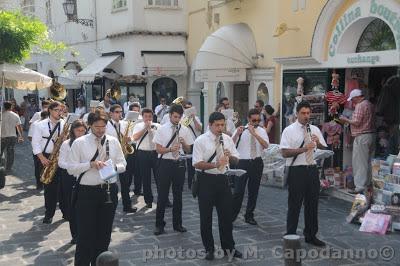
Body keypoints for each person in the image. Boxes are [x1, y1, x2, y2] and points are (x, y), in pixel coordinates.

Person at [68, 109, 126, 265]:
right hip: (87, 192)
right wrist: (90, 164)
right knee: (85, 235)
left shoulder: (113, 141)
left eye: (103, 127)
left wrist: (114, 167)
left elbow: (123, 163)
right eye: (97, 127)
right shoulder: (80, 143)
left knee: (104, 234)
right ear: (89, 126)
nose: (100, 130)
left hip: (109, 190)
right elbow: (70, 168)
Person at [192, 111, 242, 260]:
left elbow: (236, 160)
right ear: (210, 125)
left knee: (226, 217)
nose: (220, 128)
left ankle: (229, 247)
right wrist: (215, 163)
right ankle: (209, 248)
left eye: (222, 125)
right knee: (206, 217)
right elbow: (196, 163)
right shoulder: (201, 140)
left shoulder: (227, 139)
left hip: (223, 180)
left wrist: (230, 157)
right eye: (217, 125)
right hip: (206, 180)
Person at [280, 101, 327, 247]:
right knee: (294, 204)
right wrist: (303, 149)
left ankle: (311, 235)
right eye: (303, 113)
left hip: (312, 169)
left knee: (312, 204)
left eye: (308, 113)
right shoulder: (289, 130)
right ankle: (290, 235)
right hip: (296, 170)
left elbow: (324, 148)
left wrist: (318, 143)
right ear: (297, 113)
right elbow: (284, 152)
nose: (307, 116)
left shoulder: (314, 129)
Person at [152, 104, 193, 235]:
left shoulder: (185, 130)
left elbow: (188, 150)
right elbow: (158, 149)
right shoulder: (162, 129)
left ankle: (178, 224)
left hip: (179, 163)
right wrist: (170, 149)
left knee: (178, 195)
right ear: (170, 115)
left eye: (179, 117)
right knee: (162, 195)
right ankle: (159, 224)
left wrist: (184, 143)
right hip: (165, 163)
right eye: (175, 117)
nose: (177, 119)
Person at [232, 108, 269, 225]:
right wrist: (236, 134)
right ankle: (232, 217)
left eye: (258, 120)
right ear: (248, 119)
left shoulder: (261, 131)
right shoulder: (241, 130)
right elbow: (230, 145)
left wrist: (255, 134)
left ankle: (249, 215)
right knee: (239, 191)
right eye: (254, 120)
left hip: (257, 162)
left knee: (254, 191)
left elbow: (266, 145)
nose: (256, 122)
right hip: (242, 162)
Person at [31, 101, 66, 224]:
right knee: (50, 188)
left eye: (61, 110)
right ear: (50, 110)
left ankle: (66, 212)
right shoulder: (40, 125)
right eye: (57, 110)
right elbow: (35, 143)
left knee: (64, 187)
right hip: (47, 157)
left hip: (63, 157)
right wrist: (41, 158)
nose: (59, 112)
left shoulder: (65, 123)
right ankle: (49, 214)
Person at [340, 89, 376, 194]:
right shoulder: (370, 104)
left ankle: (360, 187)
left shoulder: (360, 105)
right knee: (369, 162)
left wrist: (345, 119)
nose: (352, 102)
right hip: (371, 135)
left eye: (353, 99)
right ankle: (368, 184)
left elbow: (356, 122)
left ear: (357, 97)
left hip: (362, 136)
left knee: (360, 163)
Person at [58, 119, 87, 245]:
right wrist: (74, 166)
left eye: (82, 130)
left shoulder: (89, 143)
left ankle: (85, 233)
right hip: (70, 176)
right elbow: (61, 162)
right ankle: (75, 235)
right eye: (77, 131)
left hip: (85, 176)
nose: (80, 133)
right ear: (72, 131)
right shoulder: (66, 144)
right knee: (72, 206)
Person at [106, 104, 137, 213]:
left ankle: (127, 205)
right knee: (109, 183)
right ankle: (108, 204)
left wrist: (130, 139)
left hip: (122, 156)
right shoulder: (106, 125)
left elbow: (131, 138)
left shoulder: (124, 124)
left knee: (126, 183)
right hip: (110, 157)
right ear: (111, 113)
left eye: (121, 112)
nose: (120, 114)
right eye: (117, 112)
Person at [132, 108, 160, 208]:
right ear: (142, 117)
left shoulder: (157, 126)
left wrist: (151, 130)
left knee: (159, 178)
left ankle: (163, 199)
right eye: (145, 116)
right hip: (142, 153)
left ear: (152, 117)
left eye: (149, 116)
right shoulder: (138, 125)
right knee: (146, 177)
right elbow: (134, 138)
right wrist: (145, 129)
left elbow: (160, 140)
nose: (147, 118)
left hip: (155, 153)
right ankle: (148, 200)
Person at [183, 101, 202, 189]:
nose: (188, 109)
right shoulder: (181, 118)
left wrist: (193, 119)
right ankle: (181, 183)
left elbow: (200, 129)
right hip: (183, 143)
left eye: (190, 108)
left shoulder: (196, 118)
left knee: (191, 165)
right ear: (184, 109)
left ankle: (191, 184)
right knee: (182, 165)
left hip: (193, 143)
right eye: (186, 108)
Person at [1, 102, 24, 172]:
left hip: (2, 137)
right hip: (12, 137)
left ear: (4, 107)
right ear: (11, 107)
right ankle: (8, 168)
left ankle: (1, 166)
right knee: (10, 153)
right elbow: (19, 127)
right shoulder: (15, 115)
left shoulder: (1, 115)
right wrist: (21, 136)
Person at [29, 111, 49, 190]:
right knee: (38, 167)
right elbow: (30, 137)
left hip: (48, 150)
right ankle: (39, 183)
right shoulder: (36, 124)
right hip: (38, 150)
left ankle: (46, 182)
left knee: (46, 167)